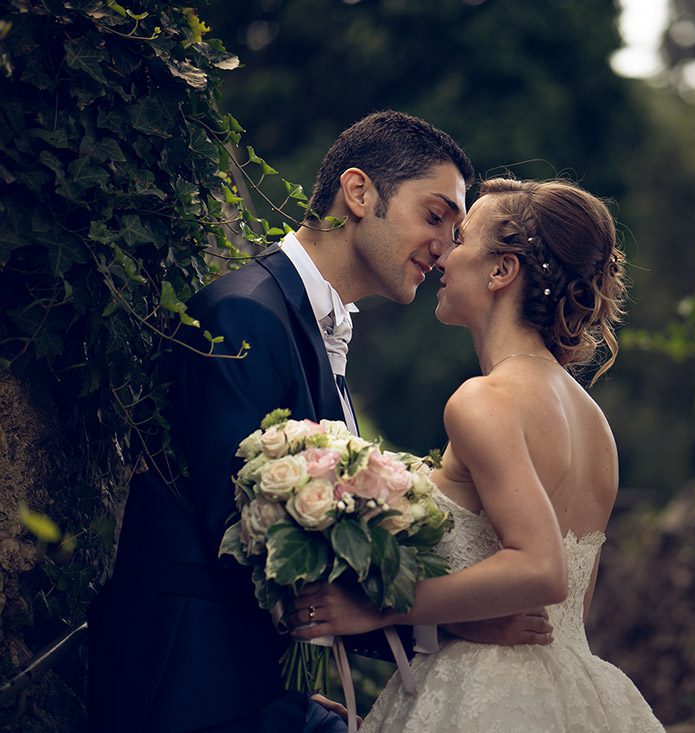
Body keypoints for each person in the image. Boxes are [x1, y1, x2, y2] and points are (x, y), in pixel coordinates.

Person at [85, 112, 548, 733]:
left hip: (253, 690)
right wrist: (443, 622)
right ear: (359, 193)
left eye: (457, 230)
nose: (444, 249)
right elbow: (246, 538)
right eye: (435, 215)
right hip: (190, 688)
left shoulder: (307, 322)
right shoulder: (245, 314)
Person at [290, 178, 665, 731]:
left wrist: (374, 610)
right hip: (577, 692)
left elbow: (542, 569)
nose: (443, 254)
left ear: (501, 271)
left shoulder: (483, 401)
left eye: (461, 238)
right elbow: (567, 618)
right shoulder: (594, 424)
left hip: (485, 696)